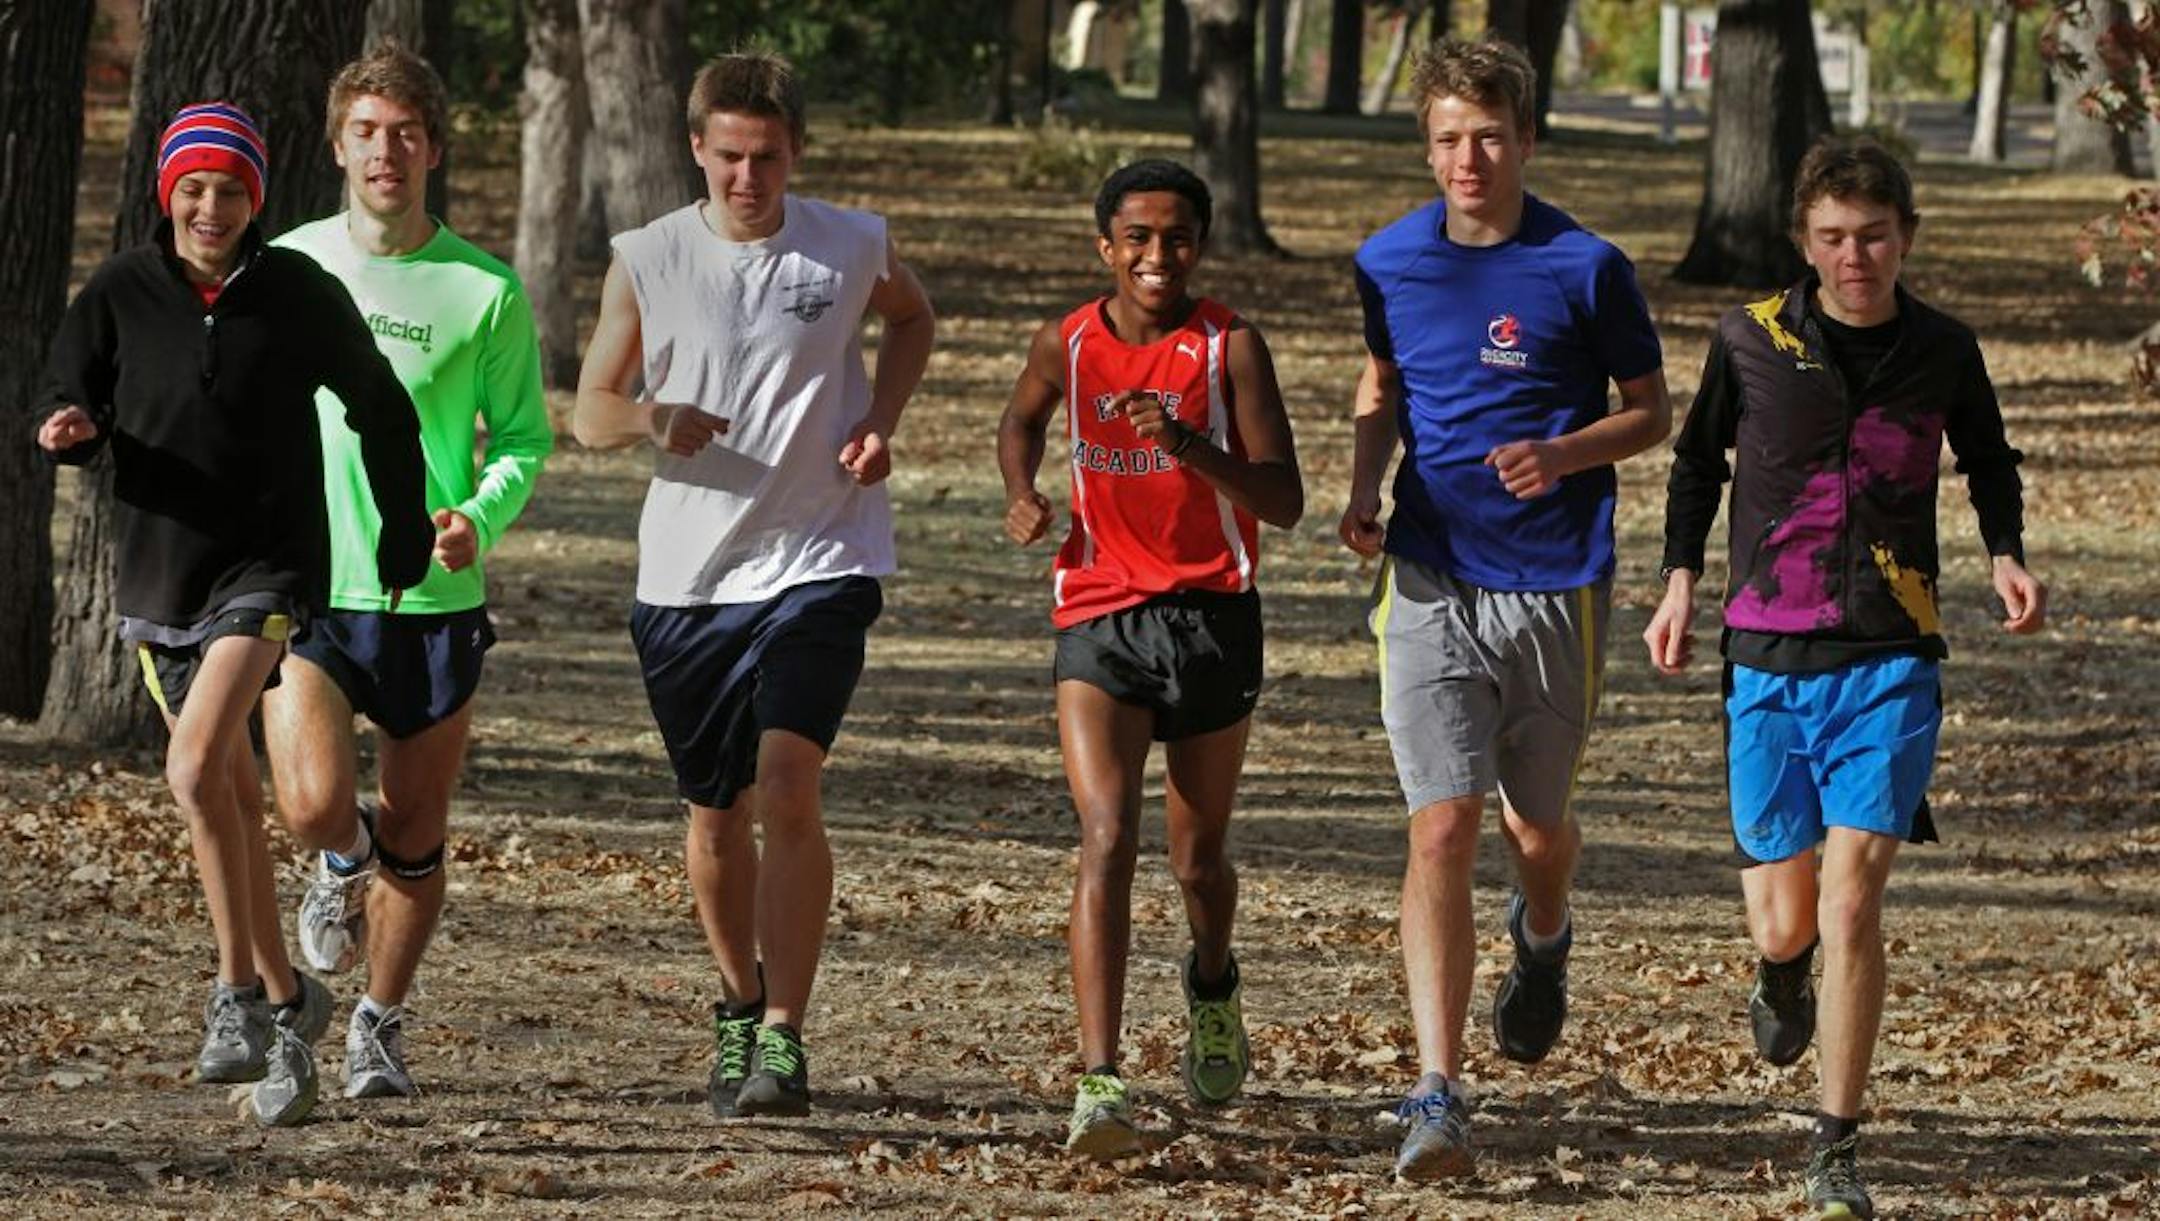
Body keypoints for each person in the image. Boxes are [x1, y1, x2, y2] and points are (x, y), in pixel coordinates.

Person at [1645, 137, 2046, 1221]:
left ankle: (1835, 1146)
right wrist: (1679, 581)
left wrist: (2005, 551)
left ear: (1905, 236)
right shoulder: (1751, 340)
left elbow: (1990, 459)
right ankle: (1781, 974)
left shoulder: (1946, 351)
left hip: (1891, 652)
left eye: (1872, 236)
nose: (1853, 255)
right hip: (1767, 654)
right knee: (1786, 923)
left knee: (1853, 896)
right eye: (1832, 238)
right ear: (1804, 243)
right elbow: (1695, 462)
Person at [36, 102, 430, 1127]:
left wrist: (401, 533)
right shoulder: (122, 290)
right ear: (168, 193)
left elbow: (380, 405)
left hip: (268, 568)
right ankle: (293, 1004)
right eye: (196, 189)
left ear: (258, 199)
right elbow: (66, 392)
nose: (213, 207)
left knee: (189, 764)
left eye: (234, 190)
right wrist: (71, 432)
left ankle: (237, 997)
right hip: (160, 575)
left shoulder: (296, 292)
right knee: (218, 786)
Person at [572, 50, 934, 1120]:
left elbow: (910, 319)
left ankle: (785, 1037)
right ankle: (738, 1004)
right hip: (687, 578)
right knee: (716, 815)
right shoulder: (649, 256)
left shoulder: (853, 241)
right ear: (696, 147)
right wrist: (652, 418)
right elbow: (589, 408)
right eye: (728, 156)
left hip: (823, 557)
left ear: (795, 154)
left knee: (787, 783)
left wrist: (881, 424)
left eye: (767, 158)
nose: (747, 178)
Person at [1341, 37, 1672, 1181]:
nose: (1466, 158)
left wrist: (1565, 452)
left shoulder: (1586, 267)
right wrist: (1357, 488)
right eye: (1445, 138)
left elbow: (1652, 413)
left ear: (1525, 139)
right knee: (1443, 824)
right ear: (1425, 145)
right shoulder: (1386, 260)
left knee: (1537, 833)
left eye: (1487, 136)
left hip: (1554, 586)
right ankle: (1437, 1089)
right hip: (1429, 575)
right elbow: (1381, 387)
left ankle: (1546, 934)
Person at [261, 43, 553, 1101]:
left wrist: (480, 516)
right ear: (339, 147)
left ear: (433, 148)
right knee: (313, 804)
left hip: (432, 600)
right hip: (311, 586)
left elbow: (523, 438)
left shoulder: (484, 290)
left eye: (407, 133)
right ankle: (339, 861)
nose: (387, 150)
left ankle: (377, 1024)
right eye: (367, 132)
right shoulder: (285, 266)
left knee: (419, 835)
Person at [997, 160, 1303, 1159]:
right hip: (1100, 612)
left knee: (1198, 861)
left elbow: (1283, 499)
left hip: (1212, 613)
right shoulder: (1070, 340)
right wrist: (1024, 490)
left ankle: (1212, 980)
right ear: (1106, 246)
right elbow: (1022, 417)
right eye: (1137, 238)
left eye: (1176, 239)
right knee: (1105, 837)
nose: (1156, 257)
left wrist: (1186, 444)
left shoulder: (1229, 347)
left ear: (1199, 247)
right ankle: (1100, 1081)